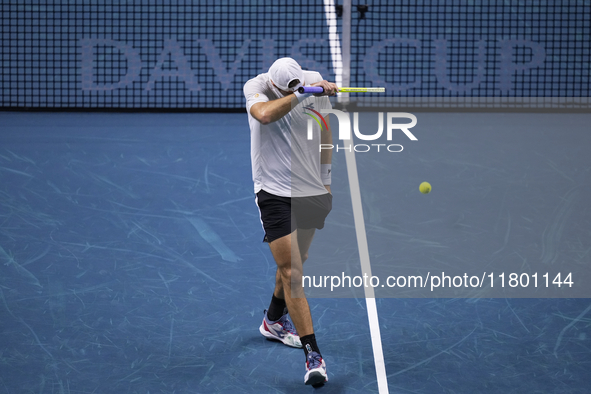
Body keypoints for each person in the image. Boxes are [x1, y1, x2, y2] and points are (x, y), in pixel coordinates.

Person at [243, 57, 338, 386]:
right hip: (272, 193)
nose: (298, 89)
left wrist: (326, 181)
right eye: (291, 89)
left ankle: (272, 320)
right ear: (276, 86)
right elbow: (266, 115)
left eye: (300, 85)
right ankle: (314, 355)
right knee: (291, 271)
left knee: (301, 259)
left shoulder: (311, 81)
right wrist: (303, 95)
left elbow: (325, 132)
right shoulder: (256, 88)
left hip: (309, 187)